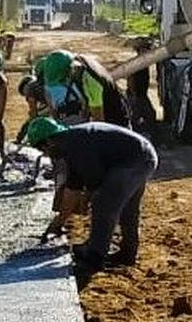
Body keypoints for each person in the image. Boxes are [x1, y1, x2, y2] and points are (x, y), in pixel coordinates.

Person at [26, 117, 157, 288]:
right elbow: (73, 190)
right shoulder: (71, 146)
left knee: (103, 204)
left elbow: (95, 182)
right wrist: (57, 223)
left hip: (134, 161)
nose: (45, 154)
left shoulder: (79, 145)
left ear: (50, 141)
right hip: (141, 156)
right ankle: (127, 254)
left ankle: (95, 258)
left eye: (42, 148)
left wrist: (85, 201)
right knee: (127, 210)